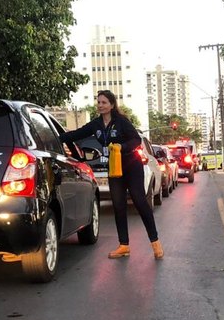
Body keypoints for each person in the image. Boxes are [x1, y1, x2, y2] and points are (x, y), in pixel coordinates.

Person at [60, 90, 163, 260]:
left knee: (139, 201)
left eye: (104, 102)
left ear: (112, 105)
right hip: (115, 169)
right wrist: (56, 137)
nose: (100, 105)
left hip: (131, 166)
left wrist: (122, 147)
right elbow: (76, 134)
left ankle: (155, 243)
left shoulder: (121, 122)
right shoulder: (96, 125)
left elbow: (136, 140)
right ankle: (124, 246)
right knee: (118, 205)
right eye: (98, 102)